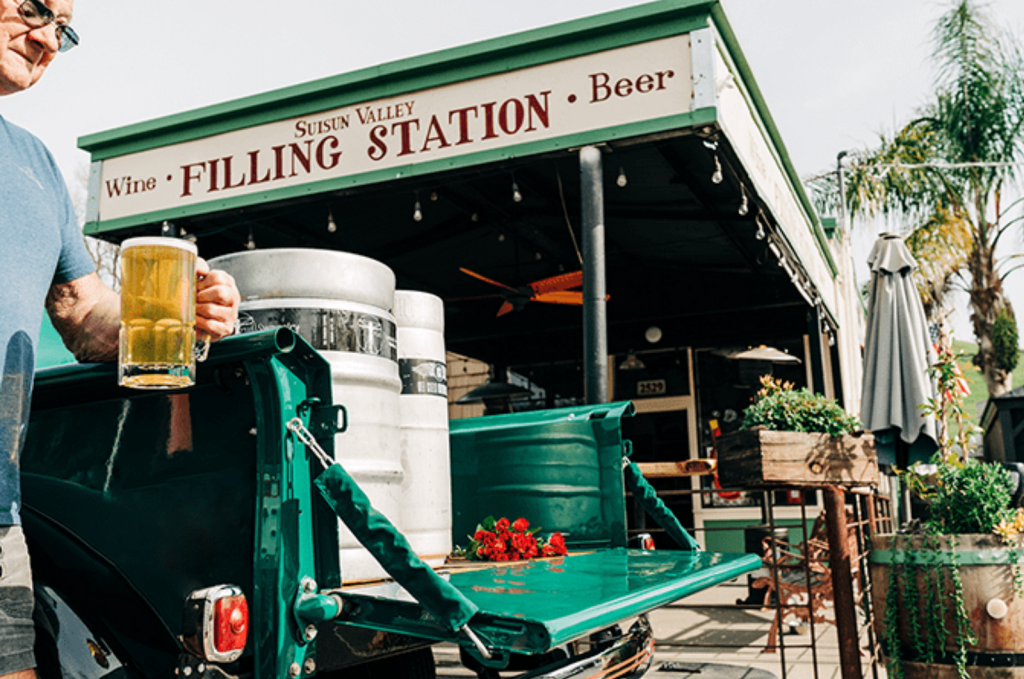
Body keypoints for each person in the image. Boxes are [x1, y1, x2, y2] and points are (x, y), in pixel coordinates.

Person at [0, 1, 240, 676]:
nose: (47, 38)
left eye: (65, 31)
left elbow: (80, 311)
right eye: (34, 8)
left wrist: (176, 315)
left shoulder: (36, 166)